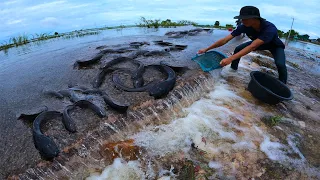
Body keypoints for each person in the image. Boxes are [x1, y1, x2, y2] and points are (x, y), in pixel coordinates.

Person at [198, 6, 287, 84]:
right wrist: (206, 49)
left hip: (274, 45)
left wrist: (230, 58)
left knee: (280, 64)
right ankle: (233, 70)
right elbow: (225, 40)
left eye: (245, 18)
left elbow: (253, 46)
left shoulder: (269, 28)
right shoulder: (244, 26)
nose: (242, 20)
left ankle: (282, 85)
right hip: (258, 43)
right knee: (238, 48)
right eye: (241, 18)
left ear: (255, 18)